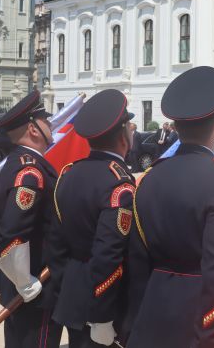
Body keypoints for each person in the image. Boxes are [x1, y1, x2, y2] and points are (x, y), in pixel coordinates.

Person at [126, 66, 214, 347]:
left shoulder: (149, 178)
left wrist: (133, 324)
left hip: (153, 310)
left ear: (177, 128)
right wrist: (209, 339)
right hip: (199, 321)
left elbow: (137, 263)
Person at [50, 89, 135, 347]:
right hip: (105, 302)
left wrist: (67, 288)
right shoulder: (119, 183)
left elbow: (56, 244)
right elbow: (108, 254)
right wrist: (102, 316)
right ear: (122, 136)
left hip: (74, 293)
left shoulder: (69, 174)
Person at [0, 91, 63, 347]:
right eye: (45, 120)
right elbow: (12, 230)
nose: (50, 124)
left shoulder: (23, 163)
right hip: (34, 288)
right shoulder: (30, 171)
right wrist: (24, 280)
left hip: (27, 287)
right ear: (33, 129)